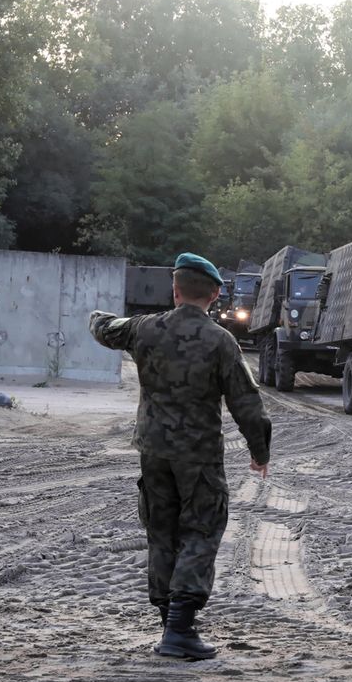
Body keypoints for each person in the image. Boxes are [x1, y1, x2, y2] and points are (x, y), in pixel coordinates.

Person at [90, 253, 271, 660]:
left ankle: (167, 621)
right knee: (201, 532)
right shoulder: (221, 341)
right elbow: (247, 403)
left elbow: (103, 326)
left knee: (162, 531)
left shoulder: (143, 329)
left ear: (174, 290)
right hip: (199, 457)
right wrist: (259, 452)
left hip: (153, 452)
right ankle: (180, 630)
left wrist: (99, 314)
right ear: (215, 293)